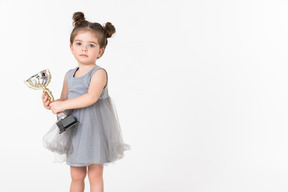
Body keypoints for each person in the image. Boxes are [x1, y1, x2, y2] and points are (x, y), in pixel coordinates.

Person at [41, 11, 130, 192]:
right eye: (79, 44)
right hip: (76, 130)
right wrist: (53, 103)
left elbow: (91, 97)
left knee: (95, 174)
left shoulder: (99, 73)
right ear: (71, 47)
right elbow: (66, 100)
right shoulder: (69, 74)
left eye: (91, 45)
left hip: (95, 129)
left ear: (100, 51)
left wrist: (63, 104)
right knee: (76, 175)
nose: (84, 49)